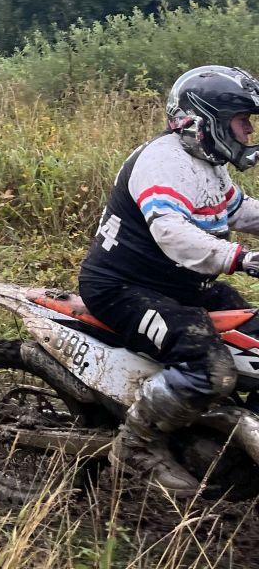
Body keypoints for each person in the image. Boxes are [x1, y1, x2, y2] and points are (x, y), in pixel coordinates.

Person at [79, 65, 259, 493]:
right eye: (243, 120)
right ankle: (135, 445)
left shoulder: (206, 162)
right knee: (210, 368)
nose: (250, 130)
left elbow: (238, 210)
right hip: (124, 289)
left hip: (182, 287)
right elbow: (172, 233)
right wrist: (242, 258)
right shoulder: (162, 162)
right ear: (208, 120)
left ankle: (226, 443)